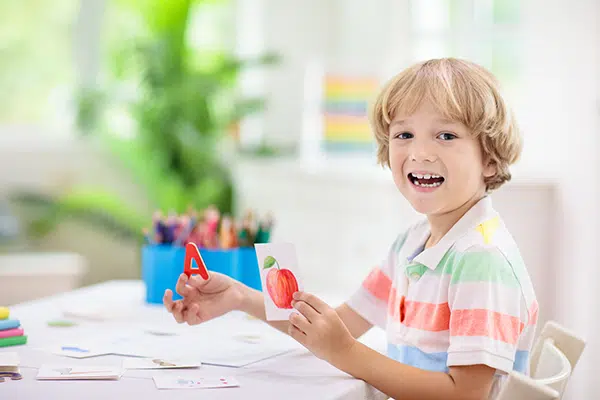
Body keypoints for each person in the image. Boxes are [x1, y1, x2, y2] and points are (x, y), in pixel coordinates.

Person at [163, 58, 537, 400]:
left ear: (489, 158)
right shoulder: (413, 244)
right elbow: (337, 326)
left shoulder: (481, 260)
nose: (421, 152)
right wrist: (240, 297)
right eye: (404, 135)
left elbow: (465, 395)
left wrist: (345, 353)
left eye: (446, 135)